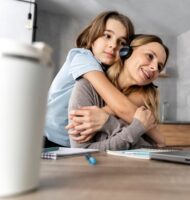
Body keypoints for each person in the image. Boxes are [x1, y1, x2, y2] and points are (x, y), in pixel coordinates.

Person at [44, 11, 159, 147]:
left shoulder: (107, 72)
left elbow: (113, 108)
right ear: (93, 39)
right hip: (48, 137)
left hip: (72, 144)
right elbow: (121, 106)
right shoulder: (82, 57)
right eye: (107, 36)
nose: (113, 45)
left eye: (122, 42)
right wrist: (159, 138)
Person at [68, 34, 169, 150]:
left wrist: (108, 122)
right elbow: (81, 151)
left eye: (159, 67)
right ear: (127, 51)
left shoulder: (147, 101)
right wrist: (136, 129)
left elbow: (149, 148)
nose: (155, 68)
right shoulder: (86, 86)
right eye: (150, 56)